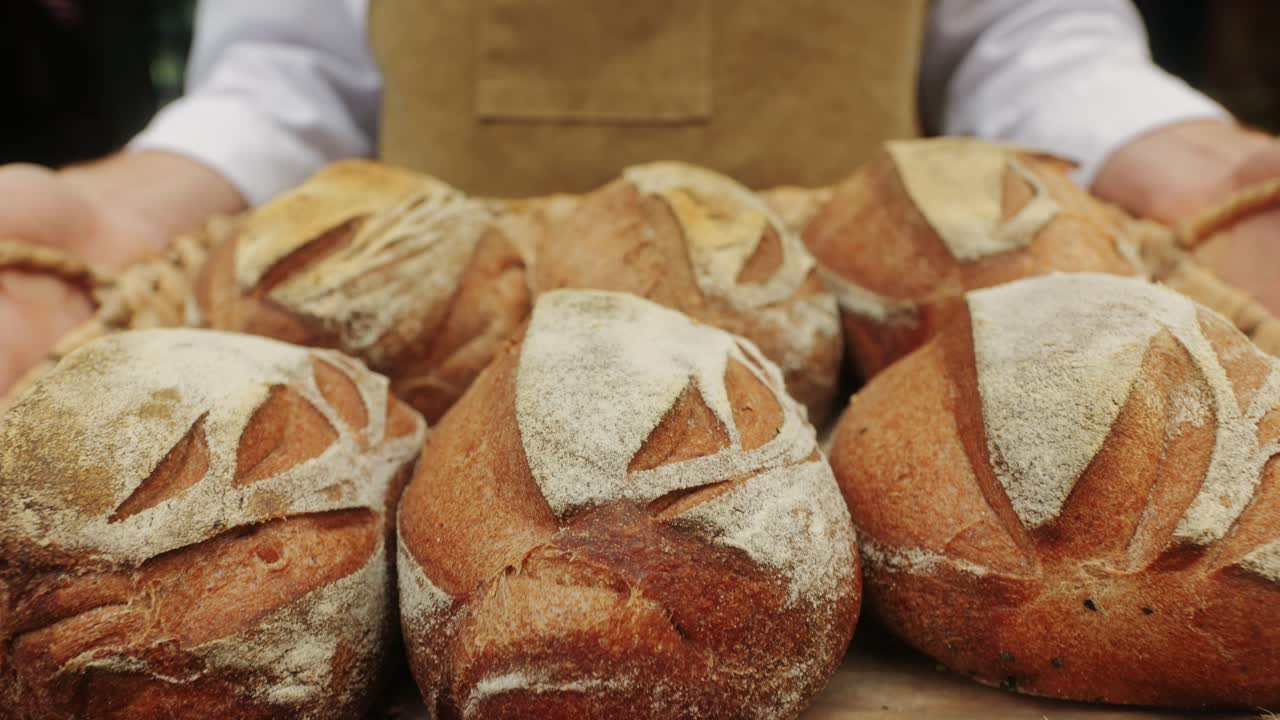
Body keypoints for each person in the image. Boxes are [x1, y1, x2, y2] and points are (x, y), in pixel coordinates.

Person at [0, 0, 1277, 392]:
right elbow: (292, 72)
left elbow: (1029, 37)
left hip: (874, 363)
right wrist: (116, 213)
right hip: (416, 389)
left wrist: (1199, 170)